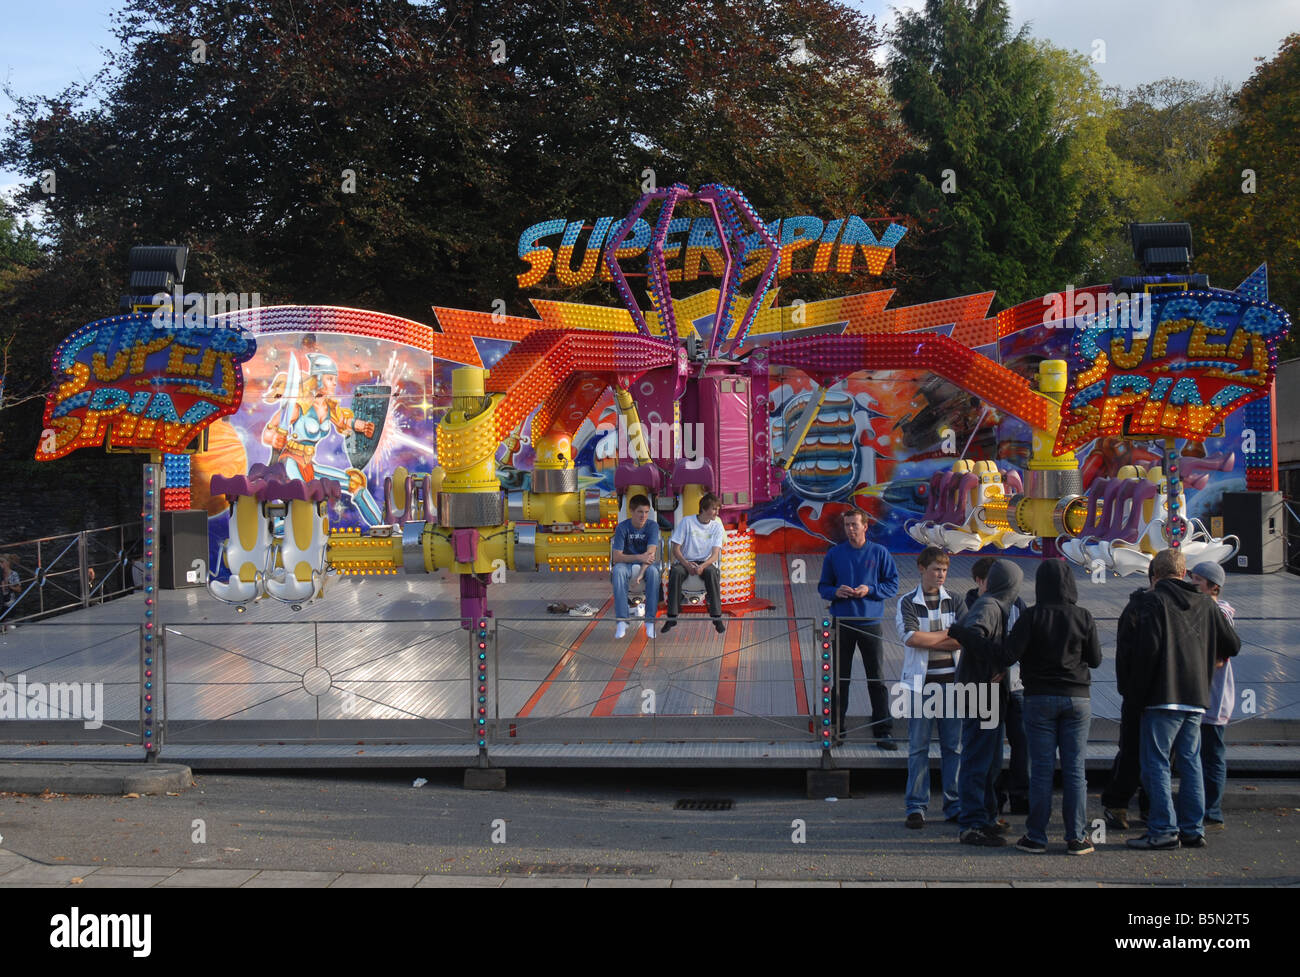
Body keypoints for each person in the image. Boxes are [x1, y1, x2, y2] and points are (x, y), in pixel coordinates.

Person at [1123, 548, 1240, 851]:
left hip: (1162, 695)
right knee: (1191, 763)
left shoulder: (1153, 601)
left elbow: (1147, 651)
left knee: (1157, 763)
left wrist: (1136, 694)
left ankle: (1163, 828)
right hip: (1196, 696)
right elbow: (1233, 643)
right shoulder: (1205, 603)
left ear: (1157, 574)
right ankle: (1193, 828)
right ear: (1183, 571)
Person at [1003, 559, 1103, 855]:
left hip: (1038, 698)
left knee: (1042, 769)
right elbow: (1095, 659)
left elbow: (1010, 654)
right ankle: (1077, 837)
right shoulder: (1083, 616)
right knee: (1075, 770)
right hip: (1077, 697)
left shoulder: (1032, 616)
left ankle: (1036, 836)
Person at [949, 558, 1022, 845]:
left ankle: (986, 815)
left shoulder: (993, 604)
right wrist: (994, 666)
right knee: (978, 759)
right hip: (980, 692)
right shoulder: (990, 606)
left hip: (985, 692)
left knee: (989, 760)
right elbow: (974, 638)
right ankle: (972, 822)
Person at [894, 546, 965, 827]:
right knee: (918, 747)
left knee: (953, 747)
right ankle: (916, 805)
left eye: (945, 570)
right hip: (919, 686)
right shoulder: (908, 602)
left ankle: (954, 803)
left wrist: (931, 637)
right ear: (922, 569)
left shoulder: (956, 601)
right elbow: (910, 638)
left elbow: (964, 638)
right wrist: (948, 635)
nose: (941, 575)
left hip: (951, 683)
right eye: (936, 569)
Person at [818, 509, 900, 748]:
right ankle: (836, 730)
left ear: (866, 526)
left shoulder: (879, 553)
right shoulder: (835, 554)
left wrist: (870, 590)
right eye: (847, 525)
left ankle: (883, 731)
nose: (850, 529)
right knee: (840, 679)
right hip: (842, 623)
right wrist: (836, 592)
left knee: (876, 678)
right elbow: (823, 586)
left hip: (870, 624)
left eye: (854, 524)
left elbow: (892, 584)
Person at [967, 556, 1029, 815]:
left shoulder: (1018, 605)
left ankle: (1019, 794)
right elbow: (973, 644)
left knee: (1022, 742)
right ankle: (987, 801)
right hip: (986, 687)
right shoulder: (974, 605)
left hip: (1015, 685)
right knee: (987, 748)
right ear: (980, 582)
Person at [1101, 563, 1155, 831]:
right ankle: (1143, 806)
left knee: (1135, 751)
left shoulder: (1138, 608)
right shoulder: (1181, 606)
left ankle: (1123, 804)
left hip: (1141, 692)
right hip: (1160, 694)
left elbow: (1124, 654)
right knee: (1152, 754)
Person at [1189, 560, 1236, 829]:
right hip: (1197, 695)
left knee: (1212, 754)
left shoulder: (1221, 613)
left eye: (1198, 580)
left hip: (1214, 696)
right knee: (1196, 754)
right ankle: (1199, 805)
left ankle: (1212, 809)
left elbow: (1220, 656)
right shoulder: (1202, 608)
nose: (1193, 583)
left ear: (1213, 586)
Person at [660, 493, 726, 634]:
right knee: (676, 572)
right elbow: (675, 548)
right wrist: (686, 563)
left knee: (713, 573)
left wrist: (702, 566)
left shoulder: (717, 527)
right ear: (703, 508)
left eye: (717, 509)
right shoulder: (687, 522)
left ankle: (716, 617)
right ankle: (672, 616)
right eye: (714, 509)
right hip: (685, 560)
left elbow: (715, 555)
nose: (716, 512)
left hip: (705, 562)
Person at [610, 495, 660, 640]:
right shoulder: (622, 527)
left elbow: (650, 555)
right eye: (640, 512)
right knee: (618, 571)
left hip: (646, 565)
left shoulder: (652, 526)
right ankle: (622, 620)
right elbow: (617, 557)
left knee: (654, 573)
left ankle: (650, 620)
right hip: (627, 563)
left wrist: (640, 575)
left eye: (646, 512)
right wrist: (639, 557)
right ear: (631, 511)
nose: (643, 516)